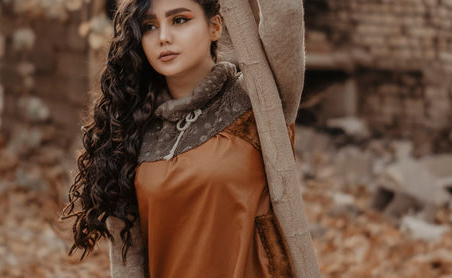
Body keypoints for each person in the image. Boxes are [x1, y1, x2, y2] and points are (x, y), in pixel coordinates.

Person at [61, 0, 305, 277]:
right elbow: (128, 259)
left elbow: (284, 12)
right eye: (150, 27)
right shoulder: (130, 130)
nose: (163, 37)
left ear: (215, 26)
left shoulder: (259, 100)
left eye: (179, 20)